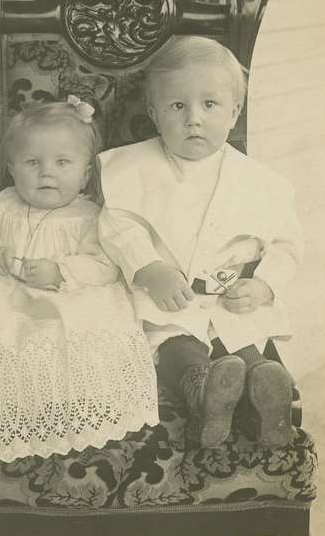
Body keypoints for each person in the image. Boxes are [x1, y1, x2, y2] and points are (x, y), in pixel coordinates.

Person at [0, 98, 158, 468]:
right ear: (12, 168)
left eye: (62, 163)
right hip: (0, 294)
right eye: (32, 163)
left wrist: (62, 272)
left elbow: (105, 264)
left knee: (64, 342)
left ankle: (63, 408)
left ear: (86, 174)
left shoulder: (91, 216)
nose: (46, 174)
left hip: (70, 299)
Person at [98, 36, 303, 449]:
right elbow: (117, 225)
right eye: (178, 106)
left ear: (234, 113)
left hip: (231, 298)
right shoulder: (134, 169)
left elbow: (285, 244)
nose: (194, 119)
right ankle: (203, 395)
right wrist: (149, 268)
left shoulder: (260, 182)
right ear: (155, 115)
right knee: (178, 346)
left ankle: (267, 395)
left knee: (243, 344)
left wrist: (262, 285)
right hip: (169, 297)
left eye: (209, 105)